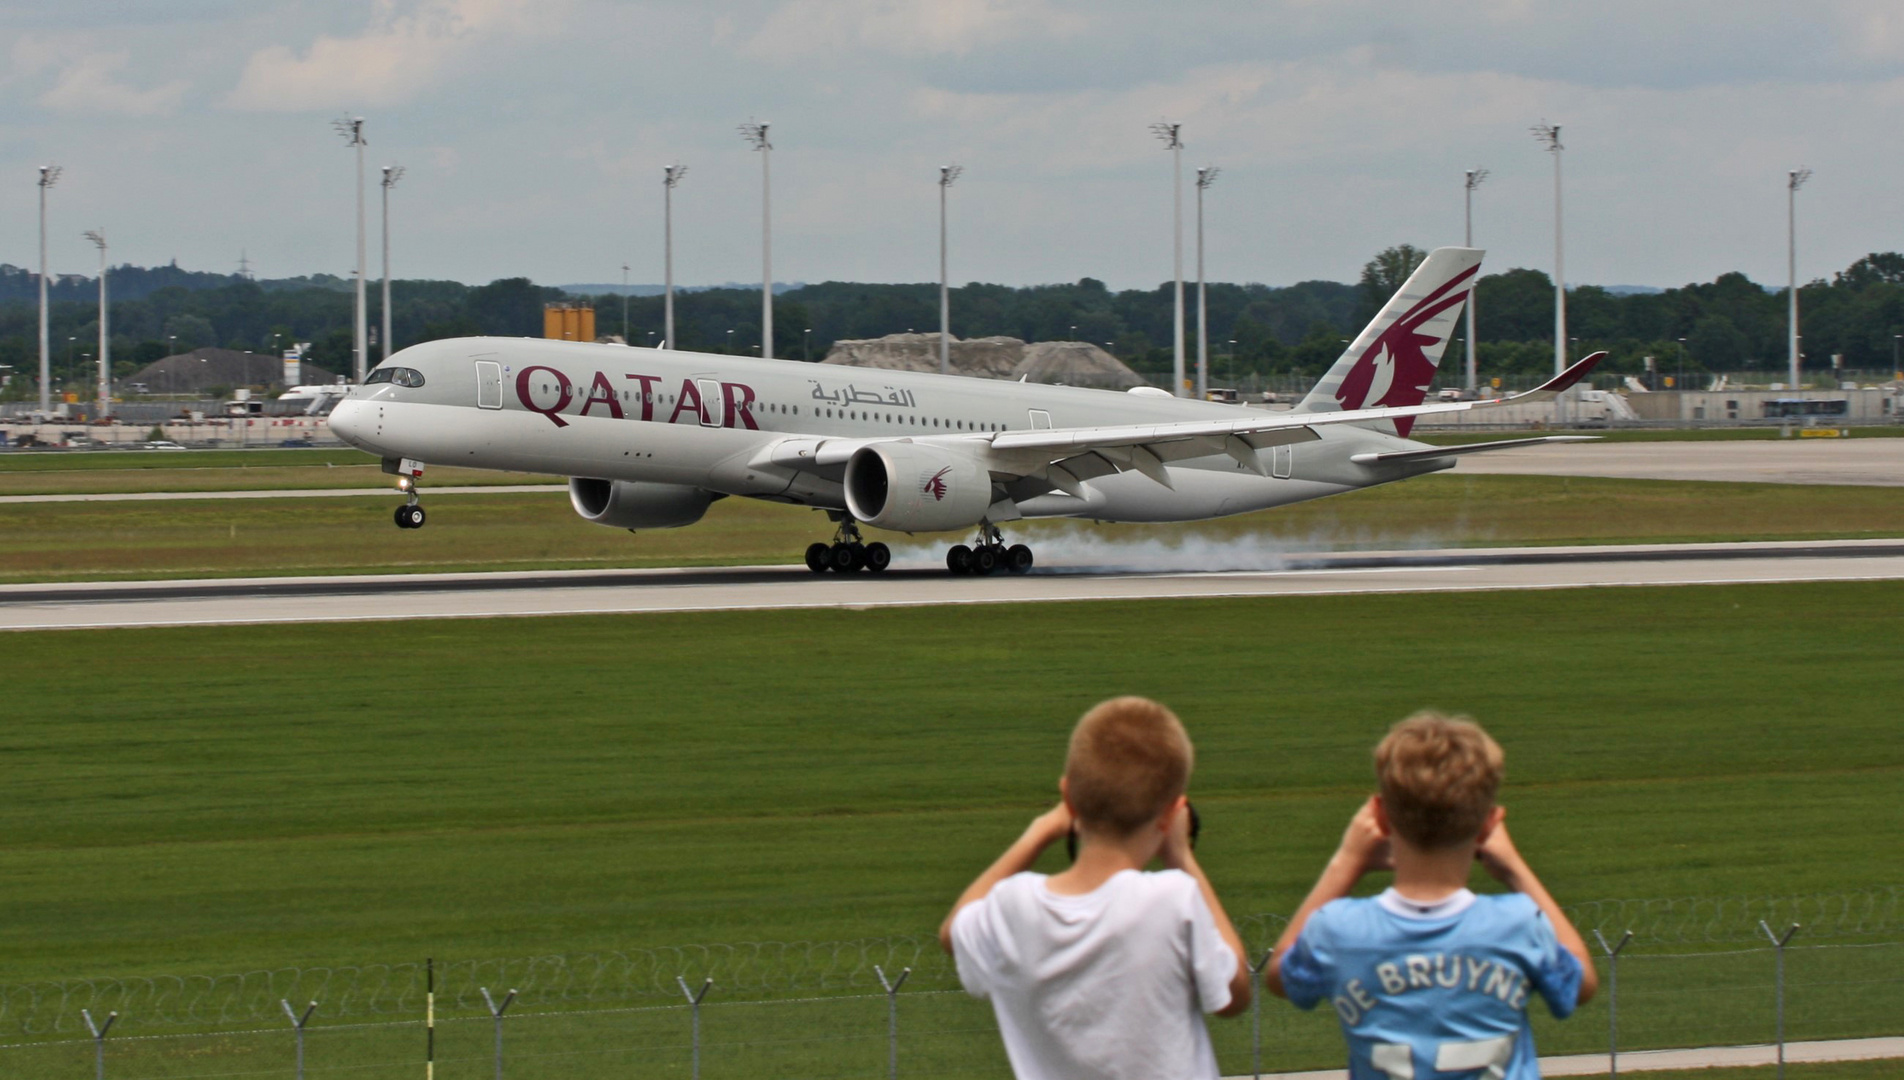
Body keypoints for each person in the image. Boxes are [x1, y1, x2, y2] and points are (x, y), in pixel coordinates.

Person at [1266, 712, 1598, 1080]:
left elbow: (1281, 974)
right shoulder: (1518, 924)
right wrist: (1514, 868)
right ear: (1489, 823)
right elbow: (1581, 981)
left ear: (1380, 816)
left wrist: (1348, 862)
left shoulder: (1339, 930)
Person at [939, 696, 1252, 1080]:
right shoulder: (1171, 899)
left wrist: (1040, 832)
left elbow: (954, 931)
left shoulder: (1014, 907)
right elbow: (1234, 993)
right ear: (1171, 814)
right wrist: (1182, 857)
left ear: (1068, 797)